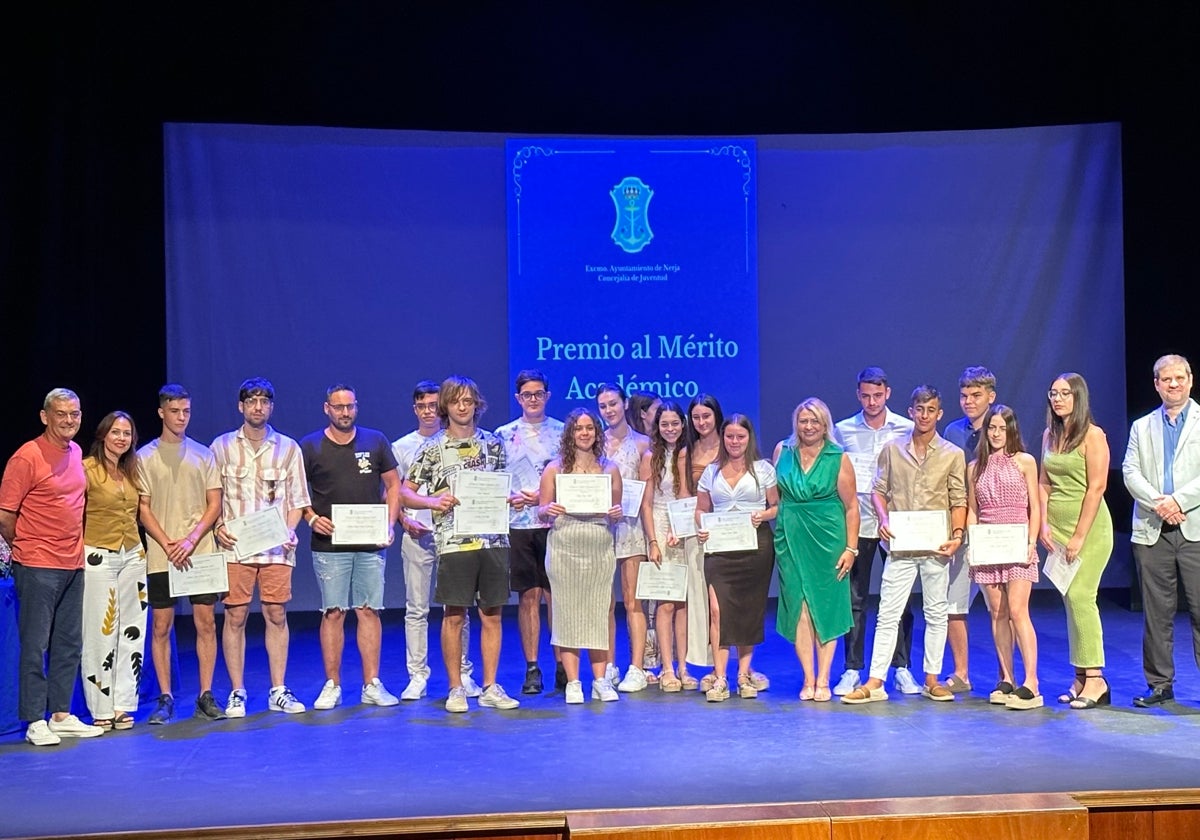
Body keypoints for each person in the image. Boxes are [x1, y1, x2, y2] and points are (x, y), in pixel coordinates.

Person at [401, 375, 522, 713]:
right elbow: (404, 493)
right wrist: (431, 502)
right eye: (456, 401)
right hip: (454, 544)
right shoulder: (431, 447)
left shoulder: (493, 444)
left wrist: (511, 499)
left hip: (494, 539)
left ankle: (490, 685)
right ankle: (455, 687)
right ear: (446, 407)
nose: (463, 406)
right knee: (454, 615)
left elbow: (498, 487)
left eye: (469, 401)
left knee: (493, 615)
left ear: (476, 404)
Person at [842, 385, 965, 704]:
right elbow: (878, 490)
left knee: (936, 611)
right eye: (919, 410)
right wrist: (883, 519)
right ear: (910, 412)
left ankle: (933, 679)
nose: (924, 416)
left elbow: (958, 499)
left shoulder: (953, 454)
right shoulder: (893, 449)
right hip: (902, 542)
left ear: (939, 413)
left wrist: (957, 534)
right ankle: (875, 681)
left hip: (937, 544)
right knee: (888, 612)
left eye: (931, 410)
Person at [0, 388, 104, 745]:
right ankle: (34, 719)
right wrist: (26, 547)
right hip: (37, 563)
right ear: (45, 416)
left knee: (68, 641)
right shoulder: (26, 457)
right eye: (61, 414)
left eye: (75, 414)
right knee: (35, 644)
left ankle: (60, 713)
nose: (69, 420)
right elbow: (5, 515)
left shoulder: (75, 452)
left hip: (73, 563)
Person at [211, 377, 311, 716]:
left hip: (275, 549)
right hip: (236, 548)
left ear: (271, 407)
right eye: (251, 401)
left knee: (275, 613)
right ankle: (237, 690)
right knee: (235, 615)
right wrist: (216, 526)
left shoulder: (288, 448)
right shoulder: (221, 447)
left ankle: (278, 689)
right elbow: (212, 499)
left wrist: (289, 529)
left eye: (264, 401)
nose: (258, 407)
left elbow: (298, 500)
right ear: (241, 406)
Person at [301, 384, 402, 710]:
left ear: (356, 407)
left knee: (369, 610)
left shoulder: (376, 441)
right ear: (326, 408)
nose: (345, 412)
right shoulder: (311, 446)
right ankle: (332, 684)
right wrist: (311, 518)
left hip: (370, 542)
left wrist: (389, 523)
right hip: (329, 544)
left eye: (350, 406)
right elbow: (298, 493)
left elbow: (393, 484)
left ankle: (371, 683)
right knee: (333, 612)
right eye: (338, 407)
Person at [137, 383, 225, 725]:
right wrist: (168, 541)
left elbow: (214, 503)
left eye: (186, 411)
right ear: (161, 412)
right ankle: (165, 696)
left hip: (200, 549)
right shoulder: (145, 457)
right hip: (162, 552)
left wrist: (189, 540)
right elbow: (143, 508)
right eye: (174, 411)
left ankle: (205, 694)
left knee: (205, 622)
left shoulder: (204, 454)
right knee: (161, 625)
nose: (181, 417)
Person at [831, 367, 918, 696]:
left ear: (888, 394)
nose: (871, 401)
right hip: (858, 522)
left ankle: (902, 668)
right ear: (858, 394)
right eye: (866, 395)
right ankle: (852, 669)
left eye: (877, 396)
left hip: (896, 524)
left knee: (901, 598)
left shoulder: (906, 428)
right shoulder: (843, 430)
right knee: (853, 599)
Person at [391, 381, 478, 701]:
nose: (429, 412)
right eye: (422, 406)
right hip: (418, 534)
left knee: (458, 608)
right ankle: (417, 675)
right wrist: (403, 519)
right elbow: (394, 491)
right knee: (416, 608)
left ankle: (464, 672)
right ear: (415, 409)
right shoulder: (402, 447)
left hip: (456, 534)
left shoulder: (463, 442)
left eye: (433, 405)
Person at [1124, 355, 1200, 707]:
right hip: (1153, 529)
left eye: (1179, 378)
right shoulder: (1142, 426)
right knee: (1157, 613)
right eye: (1166, 379)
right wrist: (1160, 503)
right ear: (1156, 384)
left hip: (1193, 528)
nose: (1173, 384)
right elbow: (1130, 471)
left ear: (1190, 380)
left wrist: (1178, 501)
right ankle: (1159, 684)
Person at [537, 408, 624, 703]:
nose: (585, 433)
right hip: (564, 546)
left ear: (597, 433)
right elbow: (541, 509)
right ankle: (573, 682)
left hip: (599, 547)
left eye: (590, 428)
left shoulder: (609, 468)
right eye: (579, 428)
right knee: (568, 614)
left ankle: (600, 680)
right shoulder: (555, 469)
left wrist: (616, 512)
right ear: (570, 433)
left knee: (598, 613)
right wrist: (547, 510)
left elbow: (616, 511)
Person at [1039, 372, 1114, 709]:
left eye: (1065, 393)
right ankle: (1081, 676)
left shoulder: (1093, 435)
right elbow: (1043, 483)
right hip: (1057, 529)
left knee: (1083, 596)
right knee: (1071, 601)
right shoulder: (1049, 435)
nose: (1057, 399)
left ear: (1078, 397)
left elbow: (1097, 487)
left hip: (1090, 530)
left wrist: (1080, 536)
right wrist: (1043, 524)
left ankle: (1096, 679)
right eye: (1053, 393)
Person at [773, 399, 856, 702]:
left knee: (826, 606)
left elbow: (851, 507)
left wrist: (851, 548)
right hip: (791, 539)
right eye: (803, 421)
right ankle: (808, 678)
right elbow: (777, 500)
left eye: (815, 422)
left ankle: (824, 679)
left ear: (825, 425)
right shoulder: (783, 451)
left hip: (828, 540)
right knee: (800, 608)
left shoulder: (838, 457)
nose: (808, 427)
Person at [695, 414, 779, 701]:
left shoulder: (763, 469)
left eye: (740, 436)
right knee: (718, 611)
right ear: (723, 438)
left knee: (748, 610)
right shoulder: (711, 471)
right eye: (729, 436)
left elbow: (776, 506)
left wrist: (763, 515)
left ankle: (743, 675)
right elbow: (700, 510)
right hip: (719, 550)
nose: (734, 441)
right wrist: (702, 528)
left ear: (748, 438)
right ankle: (720, 677)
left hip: (755, 547)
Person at [966, 405, 1043, 709]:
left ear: (1011, 430)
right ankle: (1008, 678)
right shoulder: (975, 467)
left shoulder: (1025, 461)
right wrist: (973, 545)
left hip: (1017, 542)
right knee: (997, 611)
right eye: (992, 428)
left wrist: (1031, 542)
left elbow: (1035, 507)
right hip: (988, 544)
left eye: (1002, 428)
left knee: (1018, 610)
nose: (997, 434)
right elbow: (973, 509)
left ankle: (1031, 681)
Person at [495, 369, 564, 695]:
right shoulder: (502, 435)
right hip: (519, 524)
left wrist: (543, 496)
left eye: (539, 393)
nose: (533, 399)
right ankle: (532, 667)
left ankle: (564, 663)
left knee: (557, 598)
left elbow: (575, 481)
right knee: (529, 596)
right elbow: (493, 481)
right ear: (518, 398)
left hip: (555, 524)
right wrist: (508, 496)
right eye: (527, 395)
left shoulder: (564, 432)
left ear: (547, 396)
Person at [80, 412, 147, 731]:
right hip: (98, 554)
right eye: (115, 432)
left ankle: (123, 704)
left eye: (127, 433)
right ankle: (100, 707)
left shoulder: (132, 470)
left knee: (132, 631)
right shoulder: (86, 469)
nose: (121, 438)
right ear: (103, 435)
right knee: (100, 631)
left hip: (133, 554)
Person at [940, 365, 997, 694]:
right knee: (954, 604)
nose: (969, 401)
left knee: (999, 607)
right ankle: (961, 673)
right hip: (961, 527)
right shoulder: (952, 432)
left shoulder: (1002, 428)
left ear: (991, 396)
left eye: (976, 395)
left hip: (993, 529)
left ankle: (1007, 674)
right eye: (964, 395)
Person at [597, 383, 652, 692]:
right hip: (602, 528)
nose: (609, 410)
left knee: (633, 601)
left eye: (613, 404)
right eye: (603, 406)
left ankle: (637, 666)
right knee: (605, 602)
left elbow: (647, 493)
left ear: (624, 403)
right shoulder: (594, 444)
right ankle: (608, 666)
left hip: (631, 528)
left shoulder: (643, 444)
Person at [639, 400, 692, 690]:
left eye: (675, 423)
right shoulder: (650, 456)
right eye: (664, 424)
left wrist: (680, 527)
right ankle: (667, 668)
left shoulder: (687, 453)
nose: (670, 428)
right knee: (664, 601)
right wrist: (653, 540)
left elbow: (684, 494)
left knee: (683, 601)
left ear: (682, 424)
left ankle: (684, 667)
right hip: (659, 525)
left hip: (683, 526)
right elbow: (646, 504)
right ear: (657, 427)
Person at [679, 393, 724, 687]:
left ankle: (732, 665)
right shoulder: (687, 452)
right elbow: (684, 495)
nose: (701, 422)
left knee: (725, 602)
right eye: (696, 417)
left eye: (706, 416)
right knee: (700, 601)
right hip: (698, 532)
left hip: (729, 532)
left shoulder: (732, 443)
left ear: (716, 416)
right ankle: (708, 664)